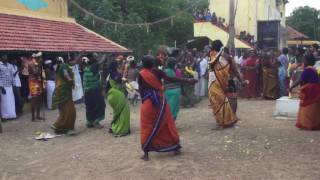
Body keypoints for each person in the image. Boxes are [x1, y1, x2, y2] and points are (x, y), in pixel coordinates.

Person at [138, 55, 196, 161]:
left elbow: (141, 90)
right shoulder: (157, 72)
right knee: (168, 123)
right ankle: (175, 148)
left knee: (147, 127)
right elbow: (171, 79)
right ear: (153, 64)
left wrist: (145, 99)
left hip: (147, 103)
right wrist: (187, 80)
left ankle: (146, 153)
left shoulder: (141, 74)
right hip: (160, 102)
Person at [208, 40, 244, 129]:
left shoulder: (212, 55)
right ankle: (229, 119)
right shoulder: (228, 57)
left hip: (215, 81)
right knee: (225, 100)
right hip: (225, 81)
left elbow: (211, 67)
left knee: (217, 101)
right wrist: (241, 80)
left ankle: (222, 123)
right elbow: (235, 70)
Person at [290, 54, 320, 130]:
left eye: (304, 60)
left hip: (309, 90)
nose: (303, 62)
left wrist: (292, 87)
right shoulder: (314, 69)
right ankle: (313, 124)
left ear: (308, 61)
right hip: (315, 90)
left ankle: (307, 124)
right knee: (314, 107)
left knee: (306, 107)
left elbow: (300, 80)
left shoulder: (307, 70)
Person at [51, 57, 76, 134]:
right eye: (73, 61)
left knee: (64, 110)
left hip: (62, 91)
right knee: (70, 110)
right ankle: (64, 126)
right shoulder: (64, 66)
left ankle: (60, 128)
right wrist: (70, 80)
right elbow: (66, 74)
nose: (74, 62)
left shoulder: (59, 67)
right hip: (65, 92)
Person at [106, 61, 131, 137]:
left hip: (111, 95)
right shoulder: (114, 74)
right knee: (124, 110)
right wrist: (125, 77)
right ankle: (120, 130)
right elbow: (120, 80)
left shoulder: (111, 74)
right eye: (119, 65)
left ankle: (113, 126)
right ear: (116, 67)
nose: (120, 66)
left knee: (117, 112)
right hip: (115, 94)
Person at [82, 55, 106, 129]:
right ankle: (96, 121)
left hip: (87, 91)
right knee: (100, 105)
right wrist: (104, 54)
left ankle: (89, 121)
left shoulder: (86, 68)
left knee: (90, 106)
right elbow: (101, 61)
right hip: (94, 90)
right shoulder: (93, 67)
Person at [0, 54, 16, 120]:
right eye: (4, 56)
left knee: (11, 101)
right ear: (1, 58)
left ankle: (12, 115)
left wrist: (14, 84)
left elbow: (12, 75)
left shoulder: (10, 65)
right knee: (4, 101)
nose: (5, 58)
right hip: (3, 86)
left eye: (6, 56)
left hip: (10, 86)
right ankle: (4, 116)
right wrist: (1, 87)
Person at [28, 52, 44, 121]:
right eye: (40, 57)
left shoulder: (37, 63)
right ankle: (33, 117)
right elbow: (36, 72)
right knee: (34, 99)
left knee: (39, 98)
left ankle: (38, 115)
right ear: (36, 57)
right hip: (33, 82)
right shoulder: (31, 63)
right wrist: (39, 64)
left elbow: (40, 73)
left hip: (38, 81)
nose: (41, 58)